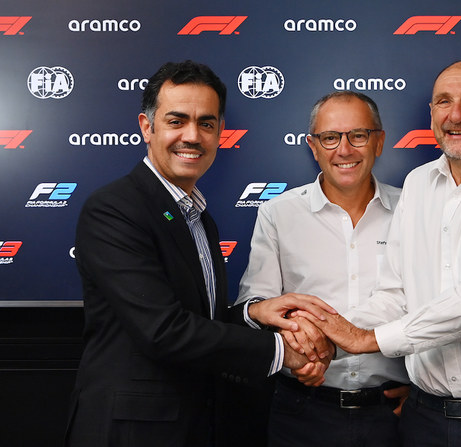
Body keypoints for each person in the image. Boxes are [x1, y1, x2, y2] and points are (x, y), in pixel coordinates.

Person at [296, 61, 461, 446]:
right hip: (424, 421)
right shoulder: (418, 184)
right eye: (444, 102)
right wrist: (327, 337)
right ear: (432, 115)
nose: (456, 115)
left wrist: (368, 339)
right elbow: (395, 294)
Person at [64, 60, 335, 447]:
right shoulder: (114, 209)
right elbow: (164, 330)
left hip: (195, 424)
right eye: (177, 121)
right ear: (147, 127)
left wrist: (254, 313)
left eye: (206, 124)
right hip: (132, 431)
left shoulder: (198, 216)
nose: (192, 136)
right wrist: (283, 351)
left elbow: (200, 320)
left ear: (219, 132)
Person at [236, 91, 409, 446]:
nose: (344, 150)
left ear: (379, 142)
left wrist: (425, 387)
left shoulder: (413, 209)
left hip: (392, 412)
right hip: (302, 411)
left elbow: (432, 303)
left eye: (358, 135)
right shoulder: (278, 214)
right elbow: (257, 307)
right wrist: (296, 339)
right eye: (330, 137)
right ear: (313, 147)